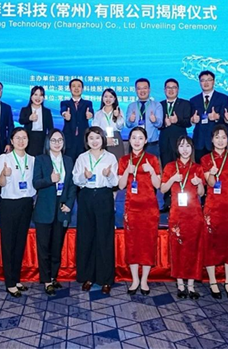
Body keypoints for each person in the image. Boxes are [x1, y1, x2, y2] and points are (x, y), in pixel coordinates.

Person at [73, 127, 120, 295]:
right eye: (91, 138)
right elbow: (75, 179)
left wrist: (109, 175)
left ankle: (105, 279)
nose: (94, 141)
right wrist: (84, 176)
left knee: (104, 237)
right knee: (87, 237)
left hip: (104, 196)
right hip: (86, 196)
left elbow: (115, 182)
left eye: (97, 138)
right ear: (87, 140)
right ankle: (88, 277)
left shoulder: (110, 157)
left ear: (103, 139)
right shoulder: (82, 158)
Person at [201, 126, 228, 299]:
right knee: (211, 244)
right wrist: (211, 174)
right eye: (217, 137)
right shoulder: (205, 159)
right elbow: (211, 184)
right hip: (212, 208)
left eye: (224, 137)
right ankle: (213, 281)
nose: (220, 140)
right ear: (212, 140)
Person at [118, 127, 161, 296]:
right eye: (134, 138)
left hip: (149, 209)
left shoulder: (152, 159)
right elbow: (121, 185)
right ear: (129, 140)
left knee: (148, 243)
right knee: (132, 244)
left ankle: (144, 280)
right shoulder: (124, 160)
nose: (137, 141)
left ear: (146, 141)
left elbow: (158, 185)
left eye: (140, 138)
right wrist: (127, 171)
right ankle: (135, 279)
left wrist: (151, 171)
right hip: (131, 208)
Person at [0, 129, 37, 297]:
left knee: (20, 243)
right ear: (11, 140)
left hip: (26, 203)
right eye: (17, 138)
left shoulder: (32, 160)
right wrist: (4, 174)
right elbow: (1, 183)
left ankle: (16, 279)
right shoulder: (4, 158)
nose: (21, 141)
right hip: (9, 204)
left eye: (24, 137)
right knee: (8, 243)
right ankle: (10, 282)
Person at [33, 130, 76, 295]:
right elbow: (36, 183)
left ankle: (53, 277)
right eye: (53, 140)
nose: (57, 143)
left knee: (57, 245)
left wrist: (69, 204)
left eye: (60, 140)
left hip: (62, 207)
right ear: (48, 142)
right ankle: (46, 280)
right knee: (44, 247)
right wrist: (50, 180)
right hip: (45, 208)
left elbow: (72, 185)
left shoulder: (68, 160)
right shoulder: (41, 159)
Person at [162, 136, 206, 299]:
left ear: (192, 148)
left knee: (193, 248)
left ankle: (191, 284)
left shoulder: (197, 168)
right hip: (177, 214)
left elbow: (201, 193)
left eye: (188, 146)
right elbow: (162, 188)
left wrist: (198, 183)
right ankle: (180, 283)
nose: (185, 149)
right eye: (181, 146)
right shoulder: (170, 167)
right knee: (178, 248)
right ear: (177, 149)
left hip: (194, 214)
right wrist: (173, 179)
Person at [189, 71, 228, 160]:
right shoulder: (193, 100)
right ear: (199, 82)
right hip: (199, 141)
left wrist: (217, 117)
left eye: (209, 80)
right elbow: (191, 119)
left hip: (216, 141)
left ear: (214, 82)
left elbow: (226, 119)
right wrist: (192, 120)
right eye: (203, 80)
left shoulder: (223, 98)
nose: (206, 83)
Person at [124, 78, 164, 156]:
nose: (142, 91)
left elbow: (159, 124)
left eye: (145, 88)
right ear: (136, 90)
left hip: (151, 144)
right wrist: (130, 120)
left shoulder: (157, 105)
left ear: (149, 89)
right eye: (139, 88)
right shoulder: (131, 106)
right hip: (135, 144)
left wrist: (154, 120)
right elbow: (128, 125)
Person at [60, 78, 94, 161]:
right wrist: (65, 114)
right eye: (73, 86)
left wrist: (90, 114)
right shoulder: (65, 103)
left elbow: (90, 110)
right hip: (69, 140)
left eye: (79, 86)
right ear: (70, 89)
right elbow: (63, 109)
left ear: (82, 89)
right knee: (68, 163)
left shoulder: (87, 103)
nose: (76, 88)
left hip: (83, 140)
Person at [159, 78, 193, 159]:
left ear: (178, 89)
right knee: (166, 166)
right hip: (165, 143)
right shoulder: (159, 105)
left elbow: (188, 123)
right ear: (164, 90)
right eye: (168, 88)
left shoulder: (185, 104)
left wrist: (177, 121)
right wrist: (164, 124)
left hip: (180, 143)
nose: (171, 90)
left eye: (174, 87)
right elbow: (157, 124)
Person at [21, 86, 55, 155]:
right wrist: (29, 118)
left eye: (41, 95)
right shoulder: (25, 109)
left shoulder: (47, 111)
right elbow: (21, 121)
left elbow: (51, 127)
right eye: (35, 94)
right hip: (29, 138)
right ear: (31, 97)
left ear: (44, 98)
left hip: (42, 138)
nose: (38, 98)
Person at [93, 88, 127, 155]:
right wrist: (104, 138)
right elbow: (95, 128)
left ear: (114, 99)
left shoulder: (119, 111)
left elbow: (120, 127)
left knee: (117, 158)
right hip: (102, 139)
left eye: (111, 97)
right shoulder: (98, 113)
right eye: (106, 96)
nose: (108, 99)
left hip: (116, 138)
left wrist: (118, 117)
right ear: (102, 98)